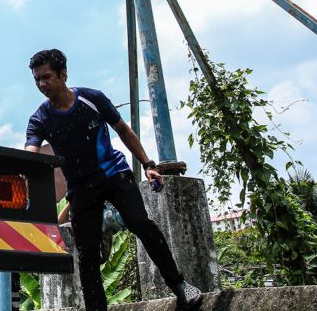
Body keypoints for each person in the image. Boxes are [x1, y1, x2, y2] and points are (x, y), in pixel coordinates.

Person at [24, 49, 203, 311]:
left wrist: (148, 165)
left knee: (140, 223)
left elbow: (123, 129)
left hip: (112, 173)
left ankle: (179, 286)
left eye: (47, 77)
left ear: (63, 74)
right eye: (37, 79)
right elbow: (32, 150)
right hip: (80, 188)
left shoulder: (91, 99)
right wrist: (24, 169)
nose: (42, 84)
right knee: (86, 256)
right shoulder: (40, 118)